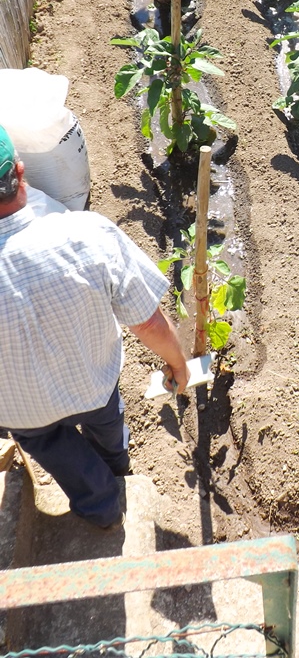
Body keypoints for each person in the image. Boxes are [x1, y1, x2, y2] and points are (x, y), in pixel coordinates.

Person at [0, 124, 190, 530]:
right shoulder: (85, 234)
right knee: (107, 424)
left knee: (53, 446)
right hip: (93, 385)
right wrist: (178, 364)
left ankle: (100, 503)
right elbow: (148, 320)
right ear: (20, 172)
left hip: (22, 411)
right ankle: (118, 469)